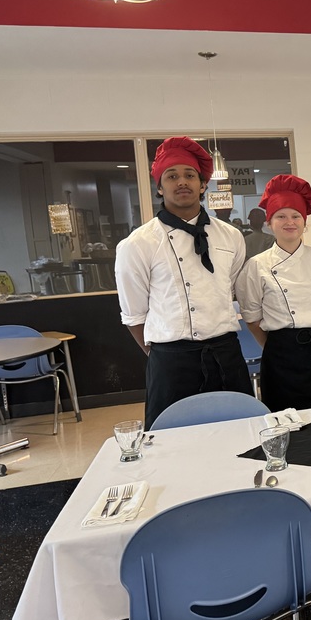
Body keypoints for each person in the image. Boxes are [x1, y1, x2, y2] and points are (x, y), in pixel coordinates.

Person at [115, 136, 252, 430]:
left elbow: (228, 289)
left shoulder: (231, 237)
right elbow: (134, 315)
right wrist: (164, 356)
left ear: (203, 185)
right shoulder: (137, 244)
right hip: (171, 361)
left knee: (239, 434)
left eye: (190, 175)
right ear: (160, 187)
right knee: (171, 442)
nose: (182, 182)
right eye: (172, 176)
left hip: (226, 354)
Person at [235, 175, 311, 411]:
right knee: (286, 422)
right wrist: (276, 349)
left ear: (305, 222)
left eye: (296, 216)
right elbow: (253, 318)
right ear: (269, 223)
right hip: (280, 354)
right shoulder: (256, 266)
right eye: (281, 216)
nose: (290, 222)